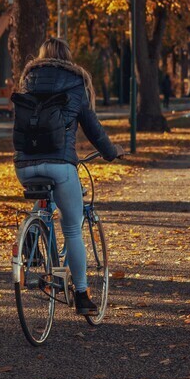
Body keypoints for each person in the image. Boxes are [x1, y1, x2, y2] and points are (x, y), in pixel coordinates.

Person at [14, 37, 125, 315]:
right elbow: (93, 129)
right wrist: (111, 152)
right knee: (73, 227)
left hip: (24, 165)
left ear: (41, 56)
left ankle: (33, 229)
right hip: (60, 165)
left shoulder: (27, 81)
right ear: (68, 57)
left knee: (43, 198)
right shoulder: (76, 82)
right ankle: (82, 295)